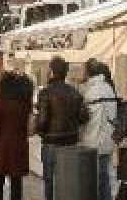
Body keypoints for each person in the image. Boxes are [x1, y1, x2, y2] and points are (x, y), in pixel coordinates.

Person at [34, 56, 88, 200]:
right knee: (67, 180)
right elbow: (84, 117)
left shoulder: (45, 92)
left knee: (49, 179)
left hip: (51, 141)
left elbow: (42, 121)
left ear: (51, 72)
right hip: (70, 141)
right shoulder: (75, 92)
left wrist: (40, 132)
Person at [0, 70, 35, 200]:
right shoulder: (25, 101)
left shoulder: (0, 99)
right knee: (16, 184)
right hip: (19, 145)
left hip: (2, 146)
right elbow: (28, 125)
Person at [82, 58, 119, 200]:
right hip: (107, 140)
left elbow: (85, 117)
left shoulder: (92, 90)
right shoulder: (109, 88)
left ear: (89, 72)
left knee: (93, 181)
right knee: (105, 179)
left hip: (93, 140)